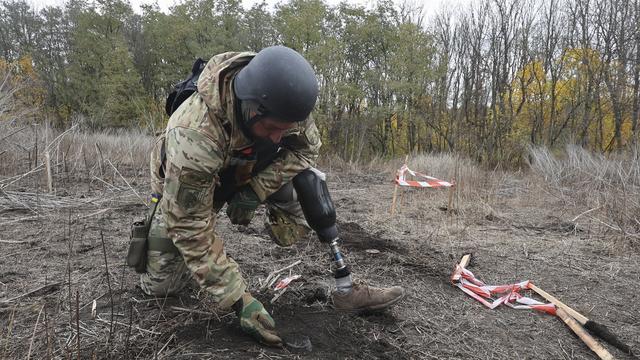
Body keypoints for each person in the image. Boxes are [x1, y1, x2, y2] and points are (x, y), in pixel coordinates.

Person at [140, 46, 405, 347]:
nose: (280, 137)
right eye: (273, 128)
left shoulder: (281, 95)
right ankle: (171, 251)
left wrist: (255, 190)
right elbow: (188, 224)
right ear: (252, 108)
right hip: (195, 185)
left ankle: (346, 288)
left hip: (248, 170)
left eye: (285, 129)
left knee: (309, 184)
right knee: (162, 287)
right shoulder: (194, 134)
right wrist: (239, 299)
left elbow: (307, 149)